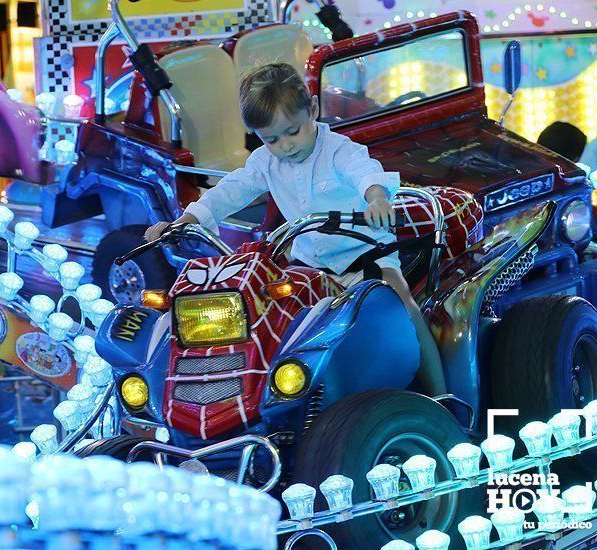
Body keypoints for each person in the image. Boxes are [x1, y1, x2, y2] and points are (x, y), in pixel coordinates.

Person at [144, 62, 446, 396]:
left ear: (313, 109)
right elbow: (231, 189)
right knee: (275, 322)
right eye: (271, 138)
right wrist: (188, 220)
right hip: (307, 264)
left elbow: (364, 170)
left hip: (364, 253)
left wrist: (375, 198)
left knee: (404, 308)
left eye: (293, 131)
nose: (285, 145)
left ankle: (443, 396)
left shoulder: (337, 150)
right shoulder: (265, 161)